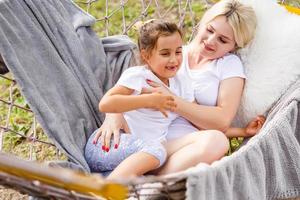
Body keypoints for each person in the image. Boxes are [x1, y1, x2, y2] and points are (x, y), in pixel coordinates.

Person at [89, 0, 265, 176]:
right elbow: (118, 96)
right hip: (134, 143)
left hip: (167, 147)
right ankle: (117, 186)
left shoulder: (222, 66)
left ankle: (145, 183)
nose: (211, 41)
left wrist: (241, 132)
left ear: (234, 46)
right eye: (210, 30)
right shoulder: (169, 55)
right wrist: (114, 114)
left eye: (223, 40)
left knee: (214, 142)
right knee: (156, 150)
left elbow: (219, 121)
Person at [85, 19, 195, 179]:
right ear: (146, 55)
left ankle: (101, 183)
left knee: (143, 178)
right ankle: (103, 193)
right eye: (165, 53)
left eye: (178, 52)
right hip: (107, 146)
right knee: (158, 150)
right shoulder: (139, 76)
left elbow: (197, 118)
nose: (174, 59)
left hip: (134, 157)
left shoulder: (181, 84)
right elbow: (106, 104)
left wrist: (240, 132)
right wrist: (149, 100)